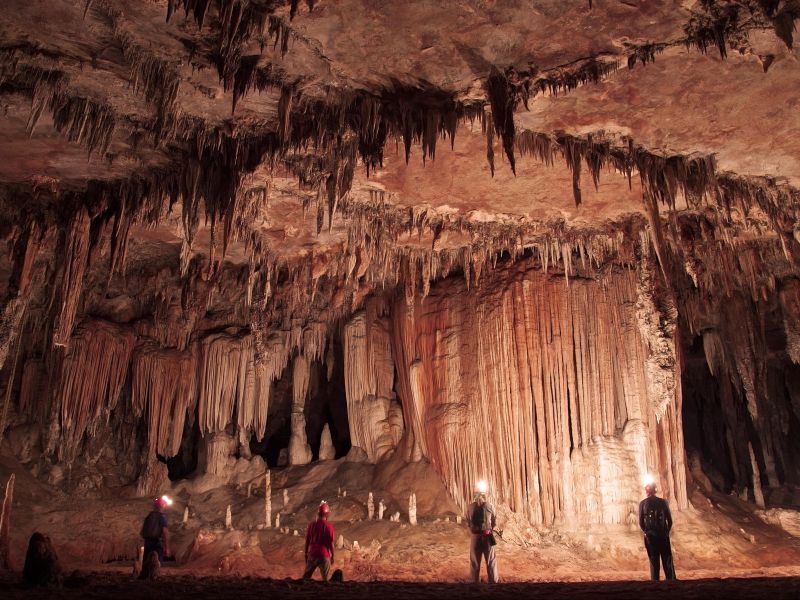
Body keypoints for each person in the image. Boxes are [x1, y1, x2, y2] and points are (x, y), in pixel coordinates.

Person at [638, 480, 676, 580]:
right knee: (667, 559)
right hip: (663, 534)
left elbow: (641, 522)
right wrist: (666, 532)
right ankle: (670, 580)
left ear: (647, 491)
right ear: (655, 490)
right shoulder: (663, 502)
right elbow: (670, 520)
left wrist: (646, 531)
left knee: (654, 560)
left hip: (651, 536)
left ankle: (655, 580)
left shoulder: (643, 503)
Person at [466, 487, 499, 583]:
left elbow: (468, 521)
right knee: (491, 560)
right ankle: (493, 580)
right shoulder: (490, 506)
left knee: (475, 560)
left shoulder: (470, 507)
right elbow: (494, 521)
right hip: (487, 535)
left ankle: (473, 580)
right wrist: (489, 528)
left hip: (475, 536)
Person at [303, 500, 335, 581]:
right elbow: (331, 543)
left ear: (318, 513)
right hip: (324, 555)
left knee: (305, 578)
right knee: (325, 579)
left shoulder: (312, 525)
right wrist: (333, 556)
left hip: (312, 554)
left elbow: (307, 541)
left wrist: (306, 554)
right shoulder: (329, 526)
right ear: (327, 514)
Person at [140, 497, 171, 563]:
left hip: (147, 542)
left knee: (147, 562)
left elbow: (142, 532)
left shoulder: (149, 516)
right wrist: (167, 548)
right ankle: (154, 573)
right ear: (162, 506)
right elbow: (165, 532)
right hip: (156, 543)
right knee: (156, 563)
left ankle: (146, 573)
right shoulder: (161, 517)